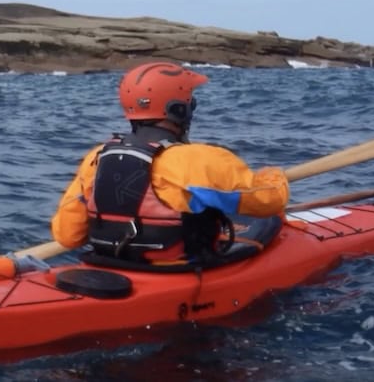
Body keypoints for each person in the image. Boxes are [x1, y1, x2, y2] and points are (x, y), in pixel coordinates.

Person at [50, 61, 290, 264]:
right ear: (179, 110)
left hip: (114, 265)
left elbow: (68, 236)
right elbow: (270, 201)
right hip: (177, 272)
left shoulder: (97, 157)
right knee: (272, 219)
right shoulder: (198, 160)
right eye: (190, 102)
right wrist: (274, 176)